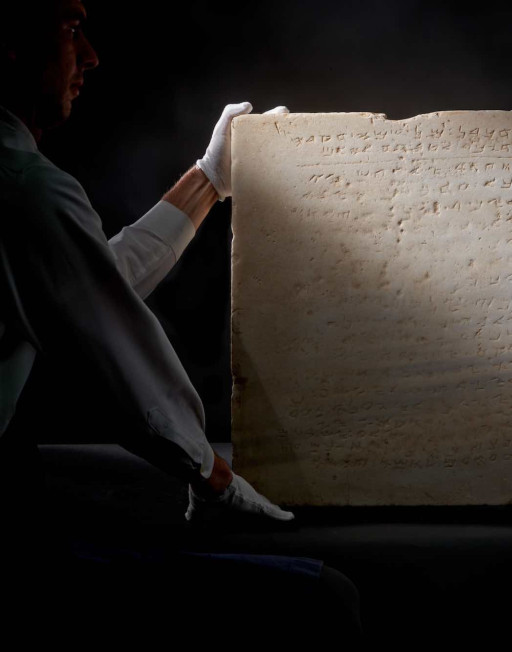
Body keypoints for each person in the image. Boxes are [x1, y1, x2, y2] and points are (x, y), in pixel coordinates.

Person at [0, 0, 294, 523]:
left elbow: (91, 283)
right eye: (71, 29)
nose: (90, 55)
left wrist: (208, 179)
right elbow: (110, 343)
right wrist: (212, 476)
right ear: (9, 45)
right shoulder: (24, 188)